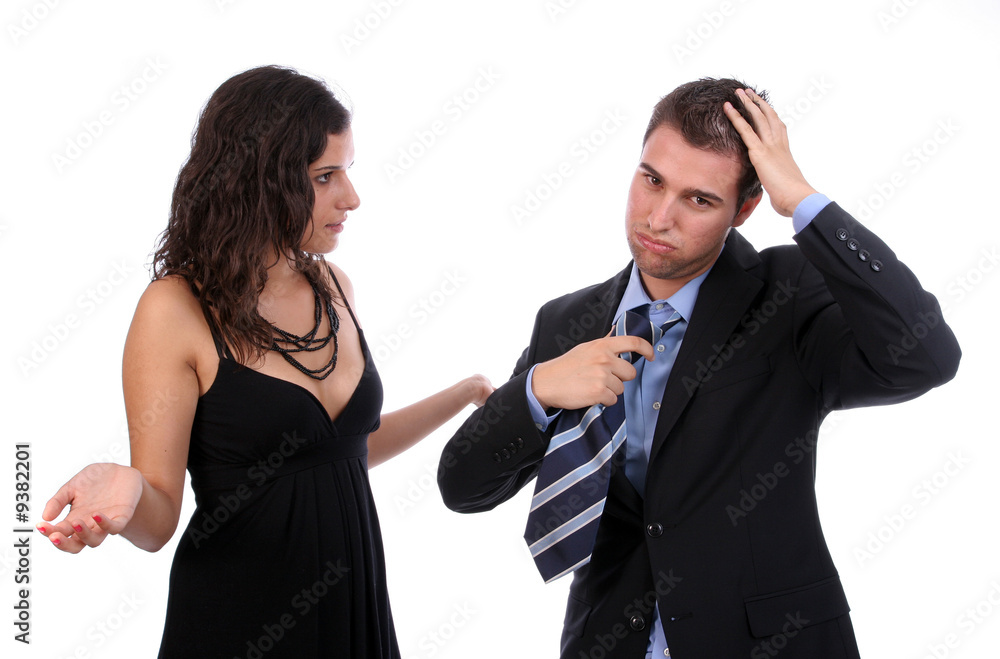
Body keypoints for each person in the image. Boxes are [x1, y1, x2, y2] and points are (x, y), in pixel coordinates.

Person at [437, 78, 961, 658]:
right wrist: (538, 391)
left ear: (745, 208)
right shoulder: (567, 322)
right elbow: (463, 487)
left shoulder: (788, 296)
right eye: (652, 179)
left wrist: (803, 200)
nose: (659, 218)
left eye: (699, 199)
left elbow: (925, 357)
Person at [36, 65, 494, 658]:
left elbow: (341, 448)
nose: (351, 198)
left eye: (347, 172)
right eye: (325, 176)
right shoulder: (175, 310)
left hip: (356, 620)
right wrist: (129, 488)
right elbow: (157, 521)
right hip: (238, 627)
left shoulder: (336, 288)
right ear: (261, 180)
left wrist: (464, 393)